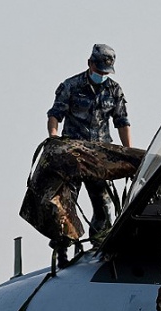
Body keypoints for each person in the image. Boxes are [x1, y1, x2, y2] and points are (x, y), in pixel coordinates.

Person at [46, 43, 132, 264]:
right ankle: (63, 250)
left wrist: (128, 152)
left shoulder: (114, 89)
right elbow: (56, 114)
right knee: (64, 203)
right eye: (99, 70)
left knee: (104, 205)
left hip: (100, 157)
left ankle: (100, 245)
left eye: (106, 72)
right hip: (73, 155)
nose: (102, 75)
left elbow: (122, 122)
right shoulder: (71, 86)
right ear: (90, 64)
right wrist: (54, 137)